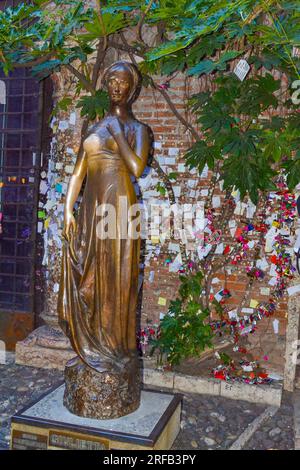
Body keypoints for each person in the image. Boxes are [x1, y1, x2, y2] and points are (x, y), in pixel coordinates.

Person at [58, 61, 151, 373]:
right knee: (89, 270)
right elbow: (77, 174)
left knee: (117, 274)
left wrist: (118, 133)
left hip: (120, 206)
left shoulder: (139, 130)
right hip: (90, 209)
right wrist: (68, 209)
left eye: (123, 82)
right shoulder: (93, 128)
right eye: (112, 80)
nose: (117, 87)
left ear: (132, 89)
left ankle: (114, 349)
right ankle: (91, 343)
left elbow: (137, 168)